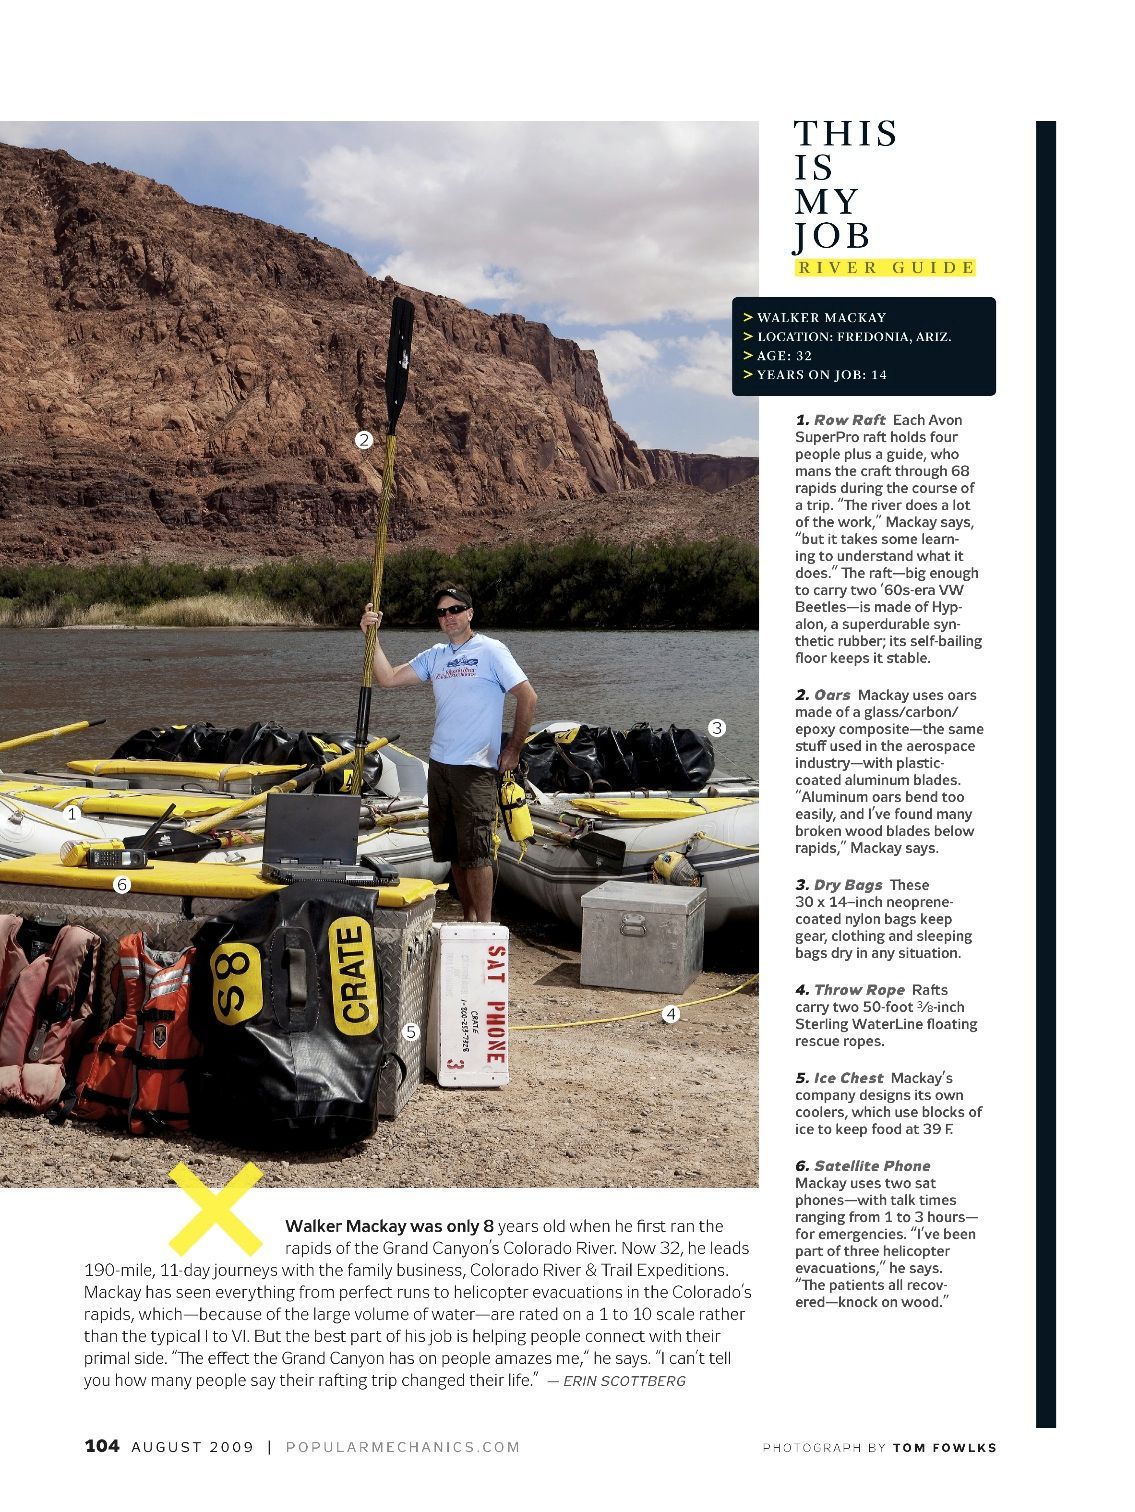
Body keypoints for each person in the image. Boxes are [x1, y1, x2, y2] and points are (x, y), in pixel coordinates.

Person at [359, 583, 537, 922]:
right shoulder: (435, 656)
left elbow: (528, 697)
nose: (449, 617)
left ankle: (484, 925)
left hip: (476, 767)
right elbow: (387, 677)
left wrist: (513, 749)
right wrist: (371, 635)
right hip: (440, 766)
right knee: (453, 850)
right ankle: (468, 918)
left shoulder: (492, 650)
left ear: (470, 613)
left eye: (455, 609)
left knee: (478, 853)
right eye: (442, 612)